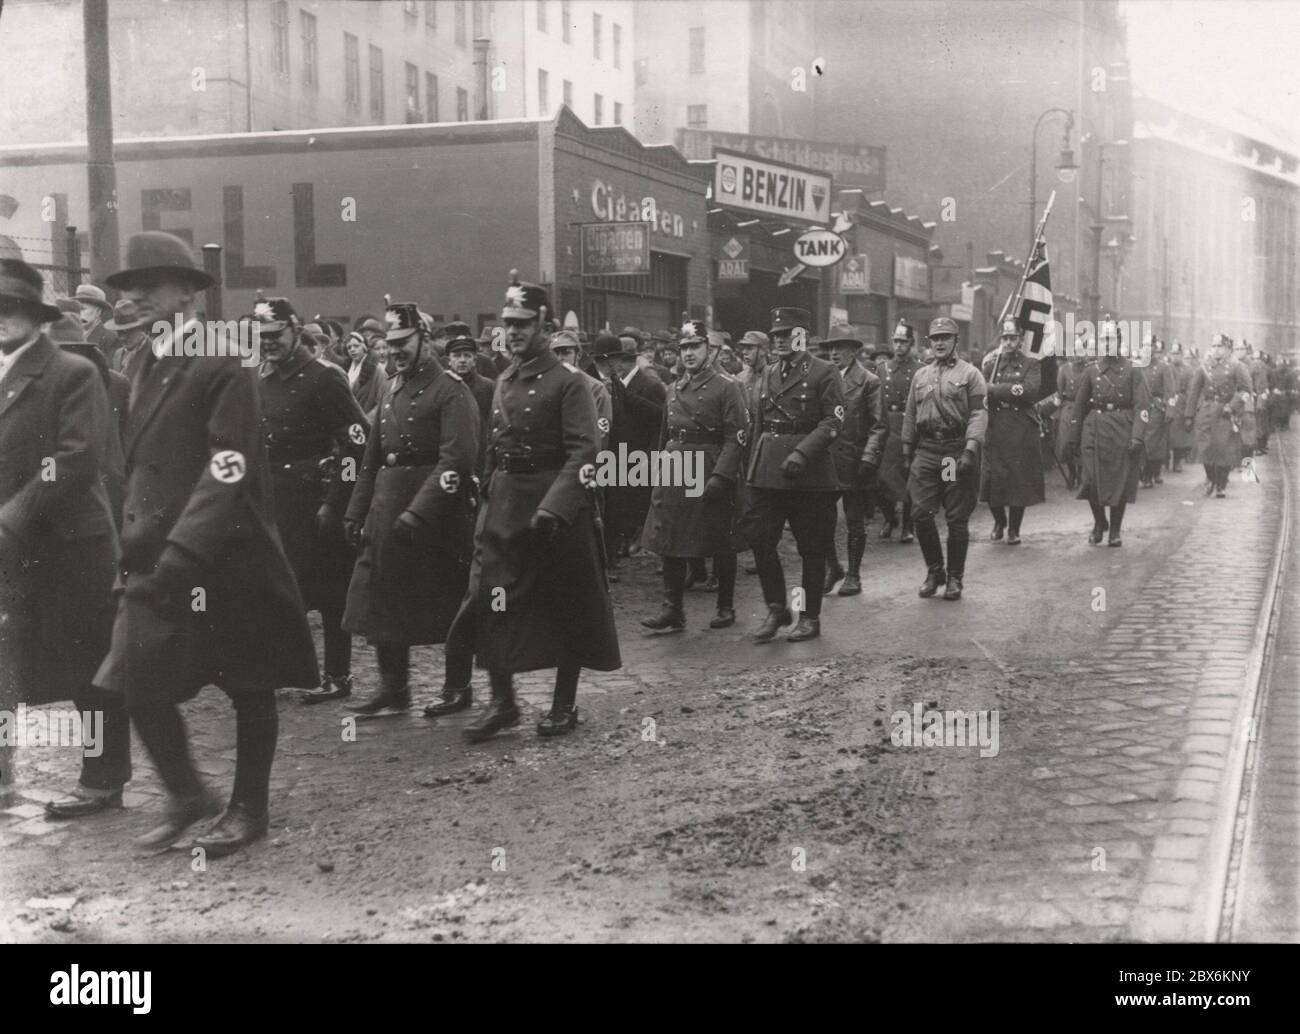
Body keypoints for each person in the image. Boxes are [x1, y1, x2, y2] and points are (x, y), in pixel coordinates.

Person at [96, 231, 319, 856]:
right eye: (126, 287)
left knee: (249, 682)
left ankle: (249, 808)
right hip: (153, 555)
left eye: (147, 285)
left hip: (225, 553)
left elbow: (230, 462)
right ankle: (189, 793)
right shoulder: (139, 362)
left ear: (190, 292)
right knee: (133, 679)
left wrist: (186, 547)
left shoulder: (223, 356)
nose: (132, 297)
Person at [451, 279, 621, 740]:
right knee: (492, 599)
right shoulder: (505, 378)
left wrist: (555, 507)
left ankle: (563, 704)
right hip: (506, 504)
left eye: (523, 324)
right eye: (507, 324)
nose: (513, 332)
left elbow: (585, 451)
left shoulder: (570, 384)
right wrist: (485, 493)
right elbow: (494, 443)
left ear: (545, 325)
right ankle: (502, 701)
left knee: (566, 602)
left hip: (554, 511)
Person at [0, 260, 125, 817]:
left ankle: (103, 778)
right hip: (13, 551)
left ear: (37, 317)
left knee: (89, 672)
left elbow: (72, 461)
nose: (2, 320)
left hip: (71, 547)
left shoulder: (73, 372)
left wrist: (10, 517)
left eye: (14, 309)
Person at [342, 302, 480, 717]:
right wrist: (355, 511)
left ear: (425, 340)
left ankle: (458, 686)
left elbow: (457, 461)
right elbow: (371, 459)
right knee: (383, 598)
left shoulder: (452, 391)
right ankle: (393, 687)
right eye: (391, 343)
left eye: (404, 342)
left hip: (436, 518)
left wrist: (420, 512)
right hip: (387, 511)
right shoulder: (392, 389)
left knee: (449, 603)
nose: (396, 351)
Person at [253, 297, 369, 705]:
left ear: (296, 329)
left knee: (331, 591)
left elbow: (357, 444)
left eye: (275, 335)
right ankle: (291, 669)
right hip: (278, 502)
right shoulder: (262, 380)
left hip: (319, 503)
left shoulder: (324, 378)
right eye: (261, 336)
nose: (267, 343)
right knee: (285, 588)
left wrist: (336, 501)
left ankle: (338, 675)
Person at [740, 307, 845, 642]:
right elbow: (759, 423)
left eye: (788, 334)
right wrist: (751, 468)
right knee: (759, 539)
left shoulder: (824, 371)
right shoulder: (769, 373)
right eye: (776, 335)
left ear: (804, 336)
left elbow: (833, 421)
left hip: (810, 476)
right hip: (769, 472)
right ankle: (776, 608)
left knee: (811, 547)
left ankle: (809, 616)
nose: (781, 340)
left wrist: (802, 452)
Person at [640, 320, 748, 631]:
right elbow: (665, 433)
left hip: (709, 466)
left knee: (720, 538)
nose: (688, 354)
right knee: (669, 537)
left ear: (710, 350)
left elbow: (737, 436)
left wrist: (721, 475)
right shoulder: (674, 388)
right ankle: (673, 609)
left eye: (694, 347)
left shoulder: (728, 387)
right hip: (675, 469)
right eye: (683, 348)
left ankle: (725, 607)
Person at [901, 317, 987, 600]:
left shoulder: (971, 374)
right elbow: (911, 414)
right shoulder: (921, 375)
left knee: (955, 516)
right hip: (926, 451)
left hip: (953, 453)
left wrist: (970, 449)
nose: (939, 343)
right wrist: (906, 450)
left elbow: (978, 414)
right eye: (935, 338)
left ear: (955, 341)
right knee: (921, 514)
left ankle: (954, 578)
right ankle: (934, 570)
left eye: (945, 338)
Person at [1068, 319, 1151, 543]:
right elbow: (1079, 405)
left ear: (1119, 341)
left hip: (1121, 429)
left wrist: (1137, 436)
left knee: (1119, 482)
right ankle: (1098, 522)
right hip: (1094, 428)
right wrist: (1072, 438)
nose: (1106, 344)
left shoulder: (1133, 370)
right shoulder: (1091, 371)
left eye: (1111, 339)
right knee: (1090, 480)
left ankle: (1114, 530)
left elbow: (1142, 405)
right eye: (1103, 339)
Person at [823, 324, 886, 595]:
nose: (835, 353)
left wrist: (869, 457)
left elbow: (879, 425)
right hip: (825, 460)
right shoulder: (823, 378)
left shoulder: (869, 381)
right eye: (831, 348)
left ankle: (853, 575)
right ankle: (832, 567)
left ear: (854, 351)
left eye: (841, 348)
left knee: (854, 520)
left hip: (855, 459)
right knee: (820, 518)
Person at [980, 318, 1044, 544]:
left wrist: (995, 389)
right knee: (991, 479)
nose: (1008, 342)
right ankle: (999, 521)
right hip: (995, 426)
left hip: (1020, 428)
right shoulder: (990, 365)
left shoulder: (1031, 365)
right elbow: (980, 391)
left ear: (1021, 339)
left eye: (1013, 338)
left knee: (1018, 482)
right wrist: (992, 391)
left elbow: (1028, 391)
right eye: (1005, 338)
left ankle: (1014, 529)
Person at [1184, 333, 1252, 499]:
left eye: (1219, 346)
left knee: (1223, 450)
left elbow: (1246, 391)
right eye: (1213, 346)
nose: (1216, 350)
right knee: (1204, 448)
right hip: (1206, 412)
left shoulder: (1237, 366)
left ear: (1228, 348)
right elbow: (1194, 392)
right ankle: (1211, 477)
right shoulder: (1204, 366)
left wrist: (1232, 406)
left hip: (1225, 413)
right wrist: (1189, 415)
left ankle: (1221, 483)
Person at [876, 321, 920, 542]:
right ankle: (889, 517)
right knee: (883, 478)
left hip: (910, 425)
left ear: (911, 344)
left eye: (903, 342)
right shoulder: (883, 368)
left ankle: (907, 526)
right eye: (896, 341)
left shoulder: (920, 369)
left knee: (908, 477)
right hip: (888, 427)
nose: (899, 345)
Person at [445, 322, 496, 477]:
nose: (462, 360)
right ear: (449, 360)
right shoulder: (442, 387)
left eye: (467, 356)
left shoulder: (488, 387)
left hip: (481, 459)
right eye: (457, 356)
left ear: (475, 360)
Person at [1139, 339, 1178, 487]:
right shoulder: (1137, 366)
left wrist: (1170, 410)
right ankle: (1142, 472)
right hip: (1140, 407)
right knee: (1139, 440)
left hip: (1155, 407)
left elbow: (1170, 391)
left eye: (1150, 347)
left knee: (1151, 442)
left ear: (1155, 349)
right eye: (1144, 346)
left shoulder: (1163, 367)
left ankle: (1150, 473)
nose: (1147, 349)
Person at [73, 282, 118, 362]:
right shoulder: (72, 336)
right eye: (76, 309)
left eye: (83, 309)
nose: (78, 314)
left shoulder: (109, 338)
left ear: (98, 312)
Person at [1166, 342, 1193, 471]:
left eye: (1177, 353)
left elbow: (1190, 390)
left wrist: (1188, 409)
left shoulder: (1187, 370)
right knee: (1165, 434)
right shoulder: (1166, 367)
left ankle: (1177, 461)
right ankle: (1163, 462)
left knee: (1179, 436)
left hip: (1181, 403)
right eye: (1173, 353)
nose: (1175, 356)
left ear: (1181, 354)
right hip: (1168, 402)